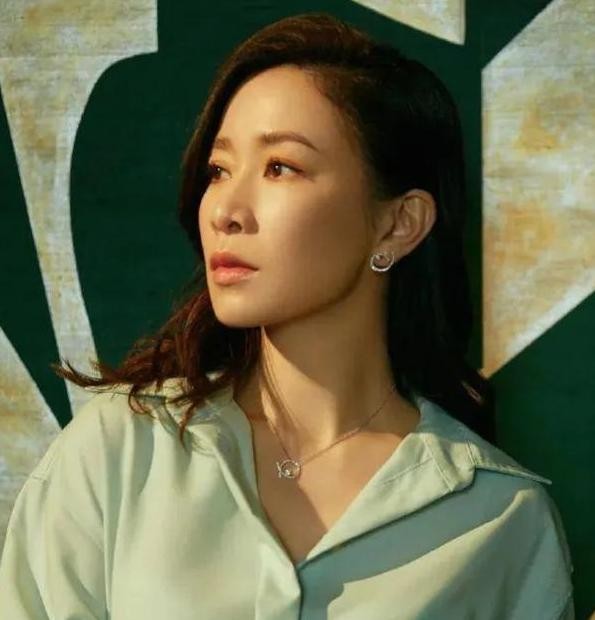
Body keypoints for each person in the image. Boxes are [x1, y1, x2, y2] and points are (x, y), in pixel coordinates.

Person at [0, 11, 574, 619]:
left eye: (281, 167)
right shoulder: (121, 449)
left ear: (399, 224)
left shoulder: (503, 520)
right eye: (219, 170)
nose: (225, 210)